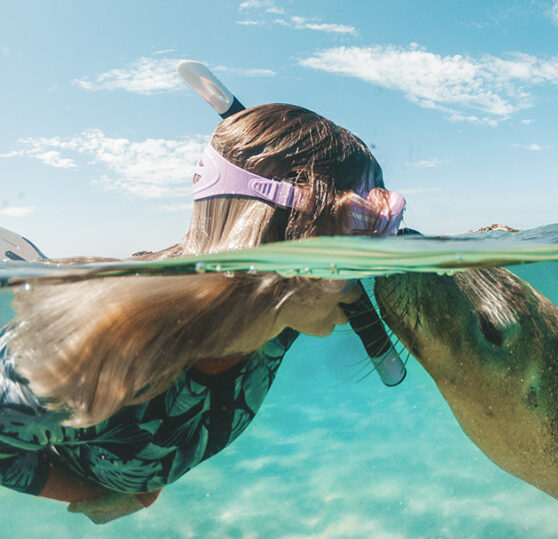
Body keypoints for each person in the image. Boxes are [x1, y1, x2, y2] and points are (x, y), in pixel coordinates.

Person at [0, 103, 405, 523]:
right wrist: (103, 493)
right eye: (357, 237)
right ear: (276, 244)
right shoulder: (97, 348)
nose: (366, 275)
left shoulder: (283, 315)